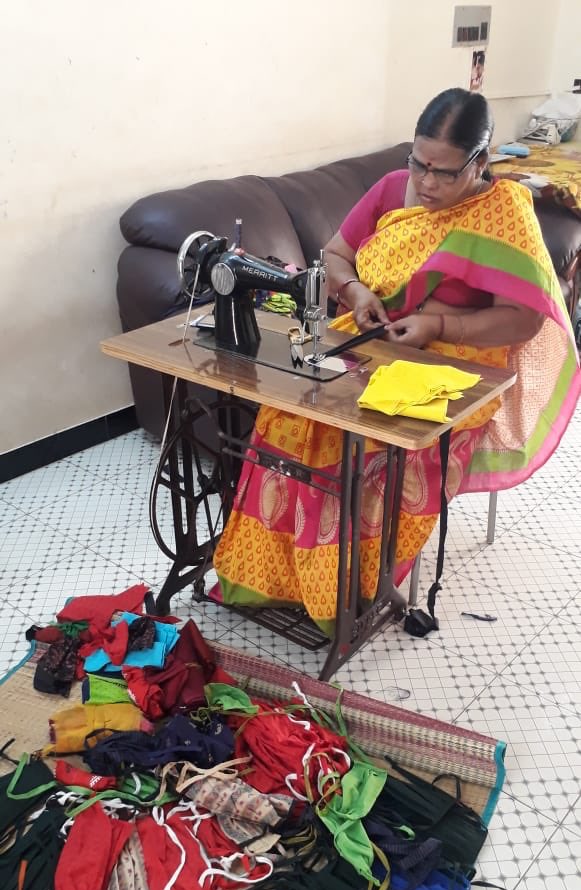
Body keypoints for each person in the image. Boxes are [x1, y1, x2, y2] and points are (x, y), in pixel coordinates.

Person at [213, 89, 580, 635]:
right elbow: (335, 256)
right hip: (370, 339)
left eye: (444, 172)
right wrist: (357, 292)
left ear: (480, 164)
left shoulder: (504, 213)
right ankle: (272, 575)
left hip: (457, 363)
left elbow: (524, 320)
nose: (426, 183)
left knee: (372, 443)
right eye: (418, 163)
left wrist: (439, 326)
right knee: (292, 414)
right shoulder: (391, 190)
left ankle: (345, 587)